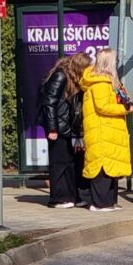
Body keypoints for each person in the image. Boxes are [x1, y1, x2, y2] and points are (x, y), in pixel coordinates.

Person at [80, 47, 133, 212]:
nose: (117, 63)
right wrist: (124, 109)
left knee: (110, 167)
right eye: (115, 61)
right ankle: (99, 203)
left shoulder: (109, 83)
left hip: (109, 130)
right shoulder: (100, 84)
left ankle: (108, 201)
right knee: (102, 168)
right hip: (102, 130)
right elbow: (103, 106)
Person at [39, 52, 91, 208]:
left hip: (67, 127)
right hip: (58, 127)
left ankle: (71, 196)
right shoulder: (60, 76)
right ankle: (59, 198)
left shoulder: (71, 78)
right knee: (59, 162)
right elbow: (49, 102)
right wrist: (52, 128)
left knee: (71, 162)